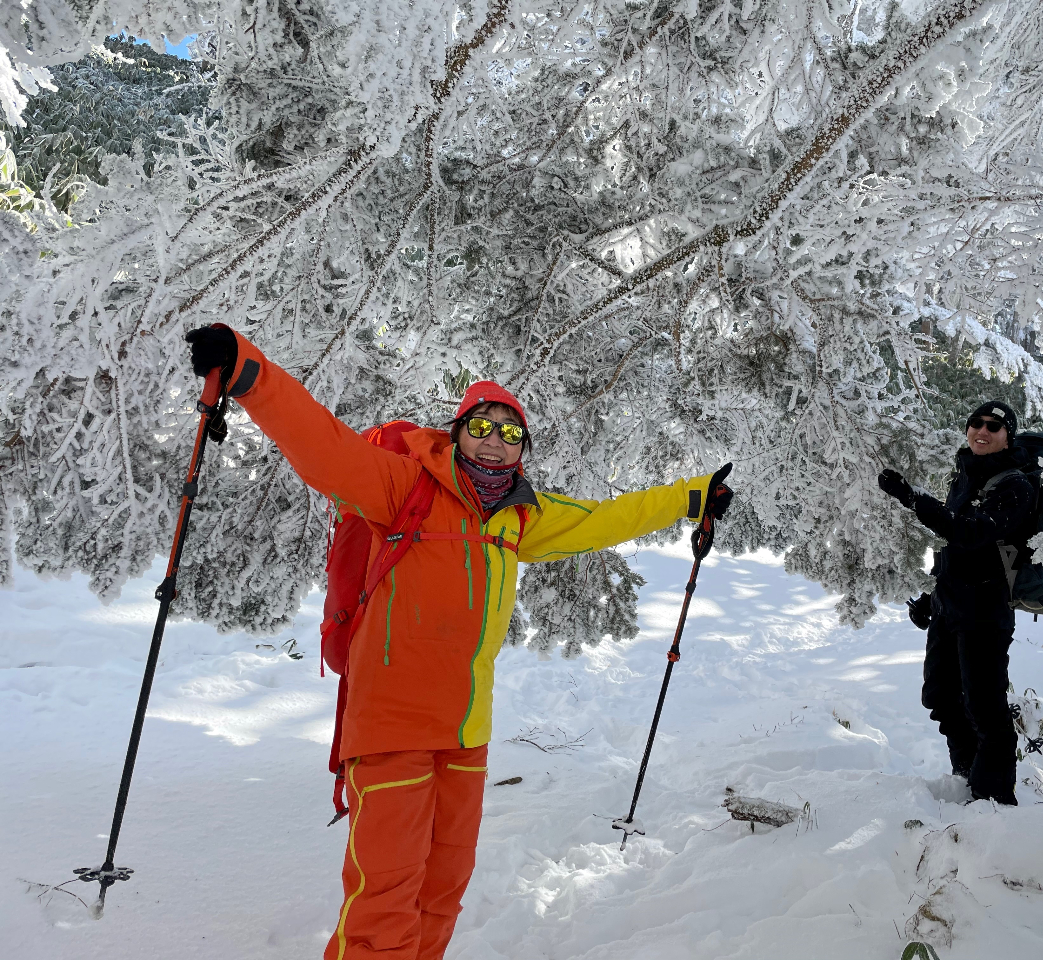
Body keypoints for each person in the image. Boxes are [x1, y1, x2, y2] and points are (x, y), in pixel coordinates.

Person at [184, 324, 733, 960]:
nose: (496, 442)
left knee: (440, 895)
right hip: (391, 728)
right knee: (384, 903)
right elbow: (322, 445)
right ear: (457, 431)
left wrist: (691, 498)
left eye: (511, 432)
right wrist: (248, 372)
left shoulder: (519, 517)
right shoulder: (404, 488)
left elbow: (606, 518)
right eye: (482, 426)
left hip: (465, 735)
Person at [877, 401, 1034, 806]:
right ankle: (967, 781)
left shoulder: (1015, 485)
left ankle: (994, 802)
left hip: (985, 613)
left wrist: (912, 498)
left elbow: (969, 534)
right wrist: (932, 600)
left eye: (994, 426)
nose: (983, 431)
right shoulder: (964, 474)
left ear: (1007, 435)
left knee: (986, 710)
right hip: (951, 607)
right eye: (977, 423)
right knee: (942, 698)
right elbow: (956, 551)